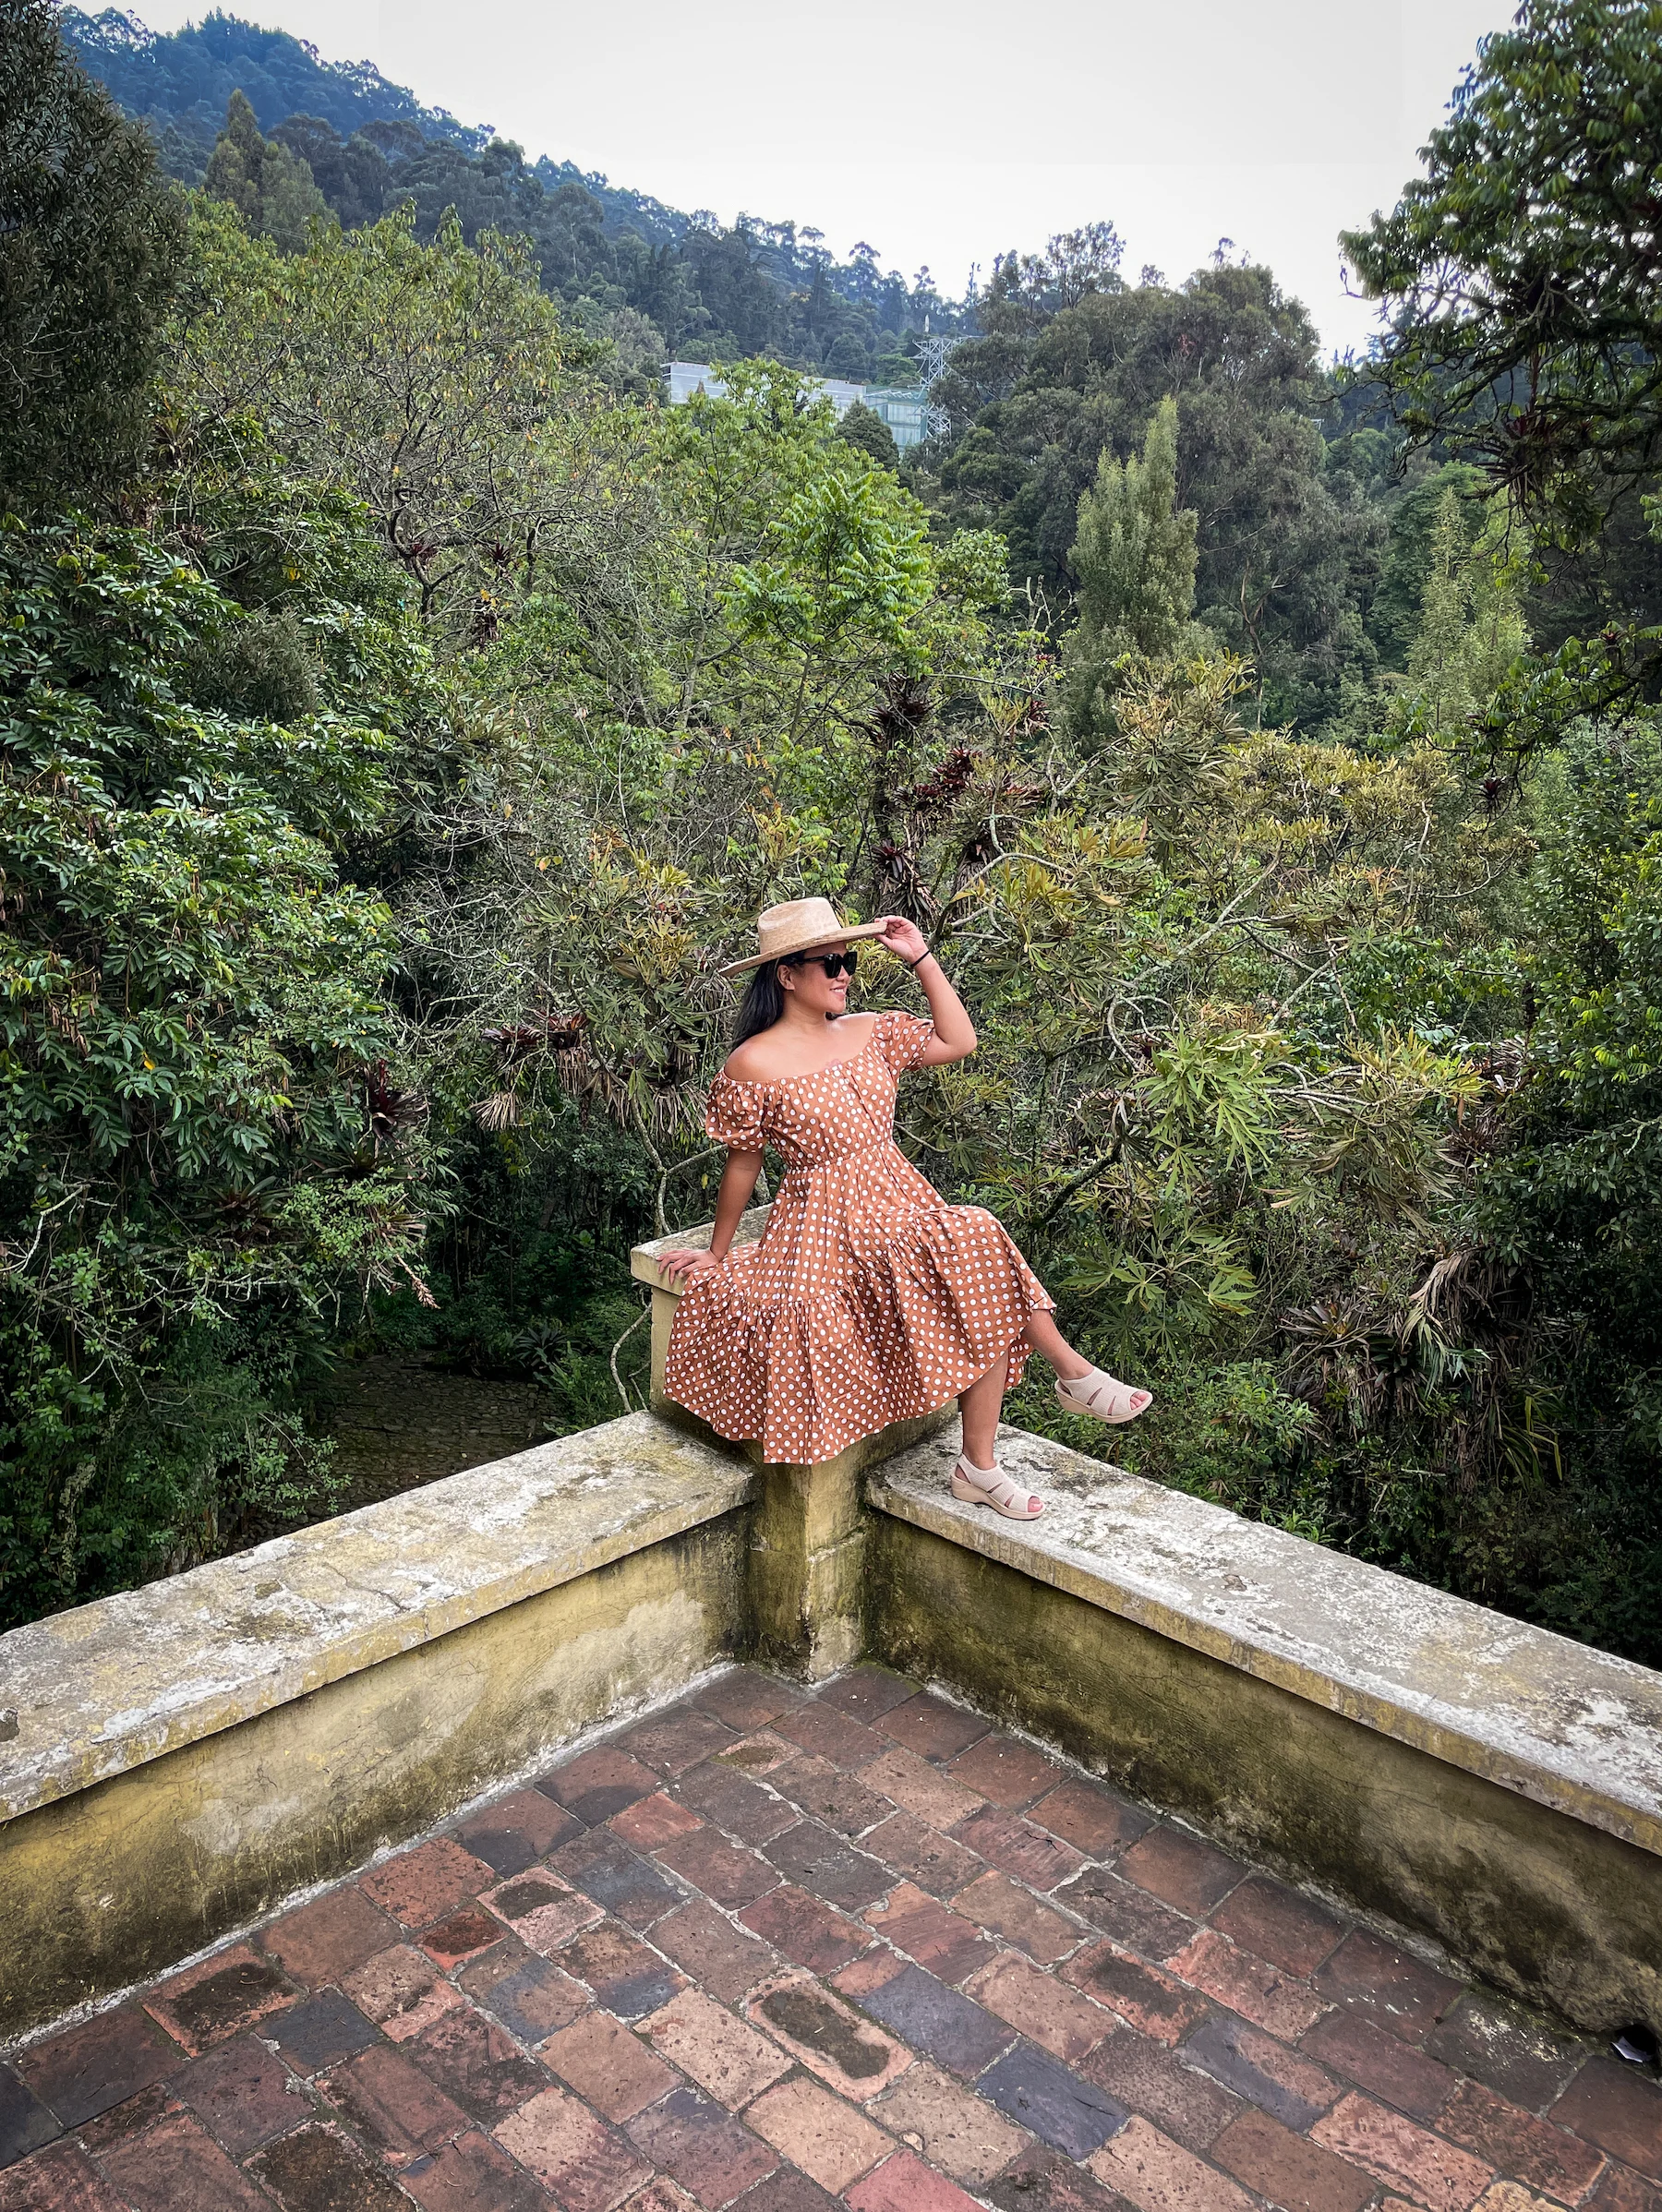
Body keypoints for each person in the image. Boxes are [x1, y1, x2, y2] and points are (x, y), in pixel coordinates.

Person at [657, 898, 1151, 1518]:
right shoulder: (752, 1063)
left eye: (849, 961)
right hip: (823, 1223)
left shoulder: (871, 1030)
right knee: (974, 1236)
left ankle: (981, 1465)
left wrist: (920, 957)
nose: (843, 974)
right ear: (786, 974)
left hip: (897, 1198)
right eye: (829, 963)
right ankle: (1071, 1377)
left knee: (977, 1270)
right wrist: (717, 1252)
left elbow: (959, 1039)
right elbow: (743, 1163)